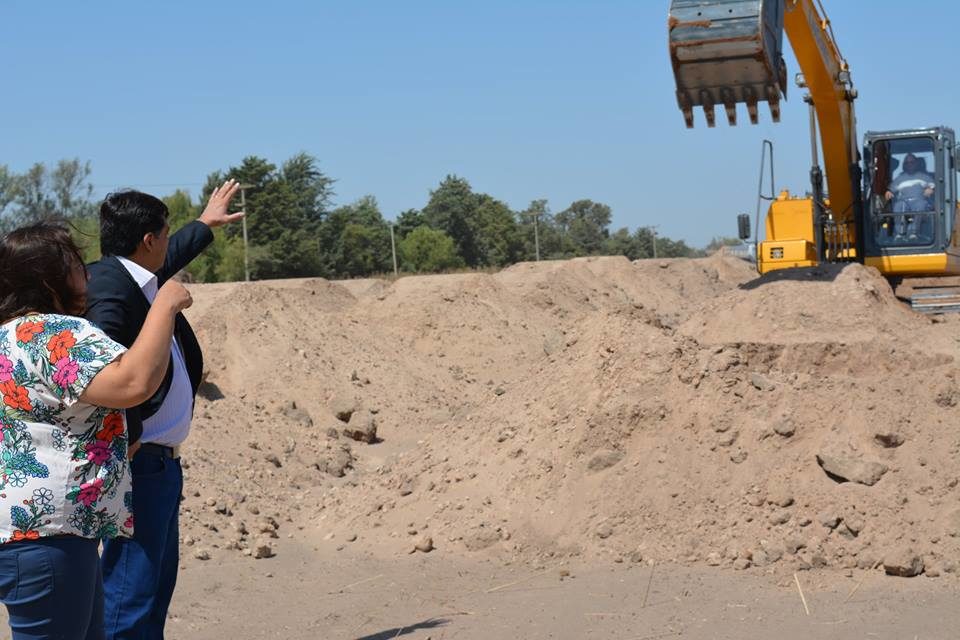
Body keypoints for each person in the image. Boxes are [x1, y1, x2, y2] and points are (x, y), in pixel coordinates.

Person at [0, 222, 192, 639]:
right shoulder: (54, 334)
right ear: (50, 276)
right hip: (50, 534)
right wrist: (164, 305)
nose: (86, 275)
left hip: (35, 532)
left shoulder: (7, 337)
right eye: (74, 265)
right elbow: (132, 383)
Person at [87, 180, 242, 639]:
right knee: (129, 596)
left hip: (160, 464)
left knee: (153, 590)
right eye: (167, 234)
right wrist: (127, 433)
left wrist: (204, 224)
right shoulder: (109, 290)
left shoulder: (132, 274)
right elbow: (103, 370)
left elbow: (164, 262)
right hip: (140, 459)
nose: (169, 244)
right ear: (149, 240)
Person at [885, 153, 935, 239]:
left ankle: (914, 232)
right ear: (904, 165)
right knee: (898, 206)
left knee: (921, 205)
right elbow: (891, 190)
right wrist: (889, 192)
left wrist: (931, 190)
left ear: (916, 164)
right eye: (907, 163)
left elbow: (935, 187)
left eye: (912, 162)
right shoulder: (900, 178)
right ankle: (900, 233)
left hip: (919, 200)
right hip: (904, 201)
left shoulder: (924, 177)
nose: (909, 164)